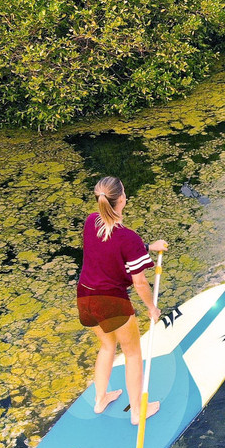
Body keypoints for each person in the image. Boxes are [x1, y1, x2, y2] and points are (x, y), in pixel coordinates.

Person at [76, 176, 168, 424]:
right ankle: (138, 412)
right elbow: (139, 283)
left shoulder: (90, 222)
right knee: (132, 353)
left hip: (85, 298)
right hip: (111, 303)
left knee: (107, 346)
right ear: (123, 199)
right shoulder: (129, 238)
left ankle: (100, 399)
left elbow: (110, 248)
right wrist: (152, 308)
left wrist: (148, 246)